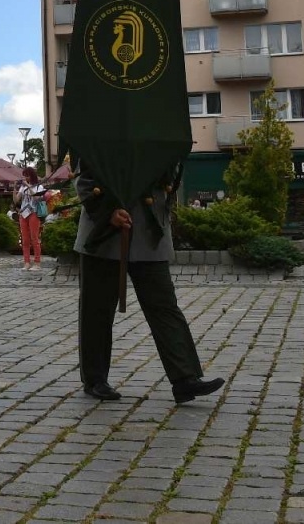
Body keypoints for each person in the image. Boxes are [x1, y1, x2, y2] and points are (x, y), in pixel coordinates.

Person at [73, 161, 224, 405]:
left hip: (149, 230)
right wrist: (107, 211)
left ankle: (185, 378)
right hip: (102, 233)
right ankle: (94, 379)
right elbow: (85, 179)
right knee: (96, 309)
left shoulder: (164, 131)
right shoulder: (101, 126)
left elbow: (171, 178)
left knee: (165, 307)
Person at [14, 167, 49, 271]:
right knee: (25, 240)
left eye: (27, 175)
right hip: (23, 213)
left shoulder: (39, 187)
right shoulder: (22, 188)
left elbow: (37, 198)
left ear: (32, 176)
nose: (25, 177)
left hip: (33, 213)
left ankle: (37, 263)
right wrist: (15, 188)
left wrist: (28, 186)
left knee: (34, 238)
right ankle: (27, 262)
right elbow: (16, 200)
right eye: (24, 175)